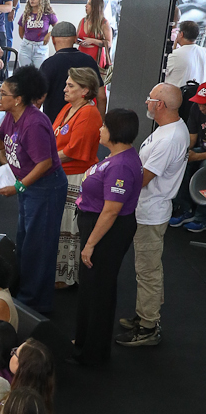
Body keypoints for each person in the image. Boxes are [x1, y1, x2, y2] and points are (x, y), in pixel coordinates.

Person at [0, 68, 67, 315]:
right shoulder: (12, 116)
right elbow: (0, 143)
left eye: (3, 93)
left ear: (18, 99)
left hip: (45, 189)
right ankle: (26, 294)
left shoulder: (35, 123)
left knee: (40, 247)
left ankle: (35, 305)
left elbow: (45, 163)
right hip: (30, 187)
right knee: (26, 242)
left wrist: (18, 186)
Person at [115, 81, 189, 349]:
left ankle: (148, 326)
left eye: (149, 98)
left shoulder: (169, 138)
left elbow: (143, 178)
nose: (146, 102)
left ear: (160, 105)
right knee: (146, 269)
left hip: (150, 213)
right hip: (149, 210)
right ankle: (144, 315)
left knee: (147, 271)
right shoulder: (170, 130)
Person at [70, 107, 142, 367]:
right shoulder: (116, 156)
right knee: (92, 287)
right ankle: (84, 341)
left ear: (115, 131)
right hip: (98, 226)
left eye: (104, 126)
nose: (100, 130)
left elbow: (111, 211)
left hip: (106, 233)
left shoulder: (121, 165)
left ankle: (92, 352)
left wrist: (90, 244)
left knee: (99, 289)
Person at [52, 67, 104, 288]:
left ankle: (67, 276)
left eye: (70, 85)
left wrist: (45, 160)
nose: (65, 88)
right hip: (61, 174)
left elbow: (74, 150)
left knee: (70, 229)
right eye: (66, 84)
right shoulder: (68, 108)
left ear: (85, 90)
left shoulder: (89, 113)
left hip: (76, 178)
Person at [39, 21, 106, 123]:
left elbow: (38, 99)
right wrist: (100, 123)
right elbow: (102, 96)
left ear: (53, 39)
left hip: (54, 125)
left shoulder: (48, 64)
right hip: (84, 121)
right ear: (75, 39)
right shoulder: (89, 61)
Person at [17, 0, 57, 68]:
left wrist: (49, 34)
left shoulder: (48, 14)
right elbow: (21, 31)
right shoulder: (26, 13)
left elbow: (58, 27)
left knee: (40, 73)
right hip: (26, 47)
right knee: (25, 73)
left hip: (41, 47)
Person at [164, 18, 206, 89]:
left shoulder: (175, 55)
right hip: (197, 96)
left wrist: (173, 51)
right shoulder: (204, 52)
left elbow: (163, 72)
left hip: (176, 96)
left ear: (181, 34)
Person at [76, 0, 112, 70]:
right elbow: (76, 38)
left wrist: (92, 41)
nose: (86, 6)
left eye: (89, 4)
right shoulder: (83, 21)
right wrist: (79, 41)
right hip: (81, 57)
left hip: (96, 60)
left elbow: (109, 43)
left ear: (95, 7)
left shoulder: (104, 23)